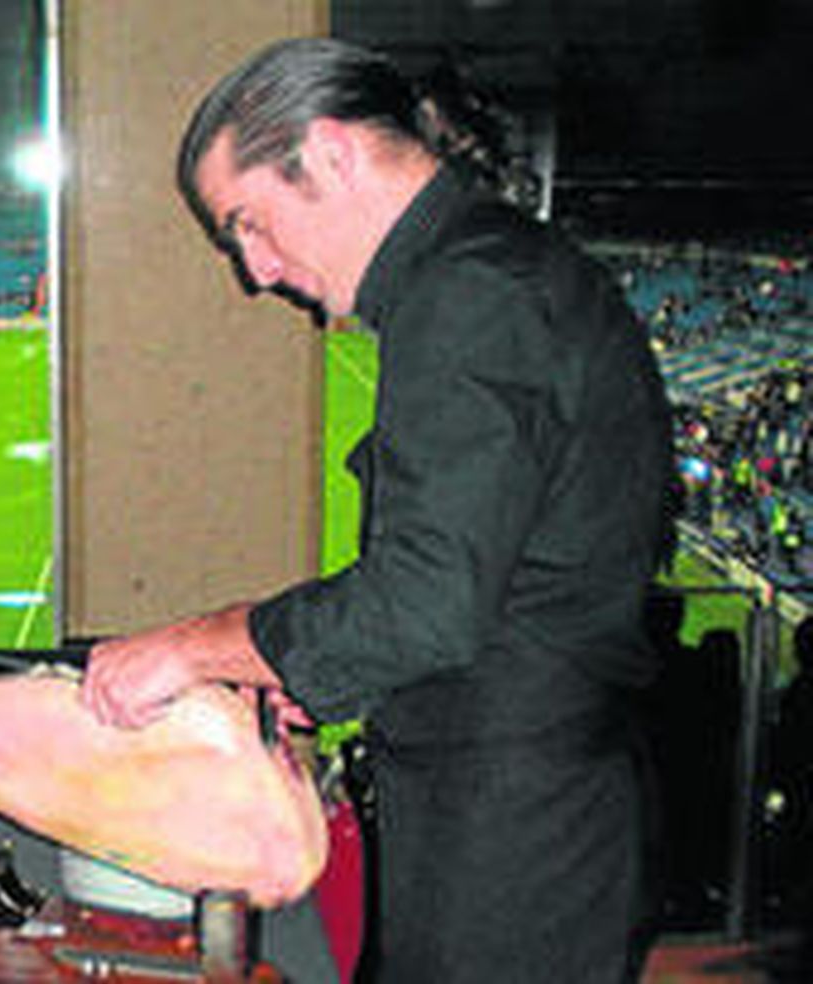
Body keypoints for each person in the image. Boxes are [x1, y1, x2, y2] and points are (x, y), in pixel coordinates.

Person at [79, 38, 675, 983]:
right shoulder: (487, 271)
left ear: (331, 154)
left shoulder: (472, 293)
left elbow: (426, 603)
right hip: (511, 805)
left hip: (509, 834)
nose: (256, 272)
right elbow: (496, 585)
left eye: (249, 224)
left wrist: (189, 648)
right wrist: (324, 673)